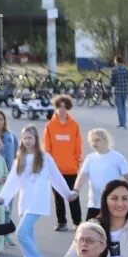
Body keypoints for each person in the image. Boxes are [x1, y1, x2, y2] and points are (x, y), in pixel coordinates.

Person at [0, 127, 63, 257]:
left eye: (30, 137)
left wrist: (68, 194)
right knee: (28, 234)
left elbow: (56, 177)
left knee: (21, 233)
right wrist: (3, 198)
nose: (27, 141)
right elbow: (12, 181)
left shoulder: (44, 157)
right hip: (25, 202)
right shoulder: (20, 158)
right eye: (25, 138)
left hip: (38, 202)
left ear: (36, 139)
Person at [44, 96, 85, 230]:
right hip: (55, 169)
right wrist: (48, 164)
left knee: (73, 196)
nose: (61, 110)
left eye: (64, 107)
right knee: (58, 198)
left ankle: (77, 222)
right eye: (59, 107)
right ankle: (62, 222)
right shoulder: (50, 125)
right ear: (55, 108)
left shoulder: (74, 125)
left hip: (71, 168)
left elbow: (78, 145)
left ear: (67, 108)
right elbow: (46, 147)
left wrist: (77, 159)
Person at [79, 128, 128, 217]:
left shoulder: (117, 158)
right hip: (94, 203)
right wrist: (76, 190)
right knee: (90, 229)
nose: (94, 143)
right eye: (92, 141)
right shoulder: (90, 158)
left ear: (105, 140)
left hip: (112, 204)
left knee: (110, 230)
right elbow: (82, 176)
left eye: (97, 140)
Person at [108, 53, 128, 131]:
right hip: (125, 90)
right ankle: (124, 123)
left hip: (118, 91)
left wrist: (111, 85)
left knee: (119, 107)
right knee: (124, 106)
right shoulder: (127, 69)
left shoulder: (114, 70)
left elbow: (111, 81)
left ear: (116, 61)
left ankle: (121, 124)